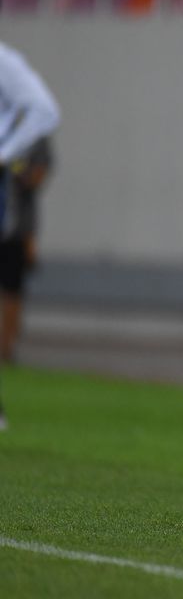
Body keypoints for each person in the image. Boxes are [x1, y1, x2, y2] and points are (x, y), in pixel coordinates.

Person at [0, 40, 62, 430]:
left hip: (13, 220)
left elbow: (45, 112)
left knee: (11, 290)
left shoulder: (4, 63)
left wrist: (6, 157)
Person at [1, 136, 54, 364]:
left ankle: (6, 349)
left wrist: (13, 165)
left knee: (12, 290)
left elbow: (37, 177)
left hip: (15, 230)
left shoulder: (33, 136)